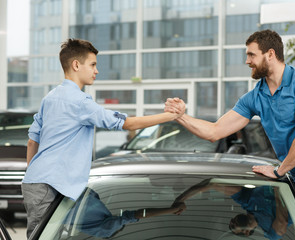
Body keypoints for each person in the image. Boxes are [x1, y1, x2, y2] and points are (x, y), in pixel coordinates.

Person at [165, 29, 295, 240]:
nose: (247, 61)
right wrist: (180, 116)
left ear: (270, 54)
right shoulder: (255, 97)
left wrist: (279, 171)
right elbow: (214, 132)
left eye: (251, 55)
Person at [22, 38, 185, 239]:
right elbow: (128, 124)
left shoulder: (50, 98)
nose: (96, 71)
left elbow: (32, 141)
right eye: (92, 65)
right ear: (76, 65)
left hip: (40, 182)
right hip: (51, 185)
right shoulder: (80, 102)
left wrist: (34, 174)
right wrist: (172, 116)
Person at [172, 179, 290, 239]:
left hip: (287, 180)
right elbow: (282, 224)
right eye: (233, 227)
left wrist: (181, 199)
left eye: (230, 223)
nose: (232, 222)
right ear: (247, 232)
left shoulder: (245, 201)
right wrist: (276, 192)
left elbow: (212, 184)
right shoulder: (269, 232)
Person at [62, 188, 186, 238]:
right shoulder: (99, 216)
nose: (121, 227)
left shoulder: (106, 231)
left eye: (120, 227)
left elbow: (135, 215)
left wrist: (172, 210)